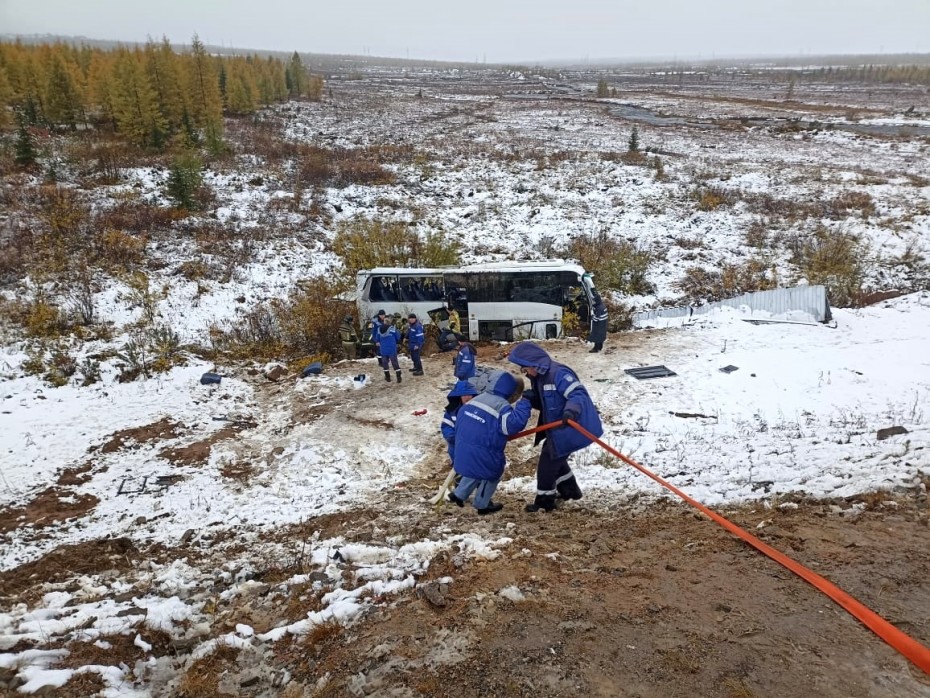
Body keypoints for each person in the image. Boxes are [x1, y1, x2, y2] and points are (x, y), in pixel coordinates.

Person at [507, 342, 603, 512]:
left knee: (547, 463)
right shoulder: (540, 378)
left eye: (525, 368)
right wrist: (533, 400)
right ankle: (570, 490)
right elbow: (548, 401)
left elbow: (577, 394)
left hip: (572, 426)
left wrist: (570, 411)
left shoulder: (559, 374)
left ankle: (545, 501)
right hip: (558, 428)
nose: (525, 372)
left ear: (534, 364)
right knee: (555, 455)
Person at [448, 371, 531, 514]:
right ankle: (482, 504)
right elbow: (512, 426)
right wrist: (525, 403)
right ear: (512, 392)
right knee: (492, 471)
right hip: (481, 453)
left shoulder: (478, 398)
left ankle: (459, 494)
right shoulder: (501, 406)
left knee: (475, 465)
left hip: (461, 451)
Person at [441, 380, 478, 466]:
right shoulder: (452, 411)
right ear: (459, 396)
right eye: (464, 395)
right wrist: (453, 438)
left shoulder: (479, 410)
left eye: (469, 395)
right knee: (459, 468)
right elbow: (446, 426)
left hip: (475, 448)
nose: (467, 397)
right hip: (457, 447)